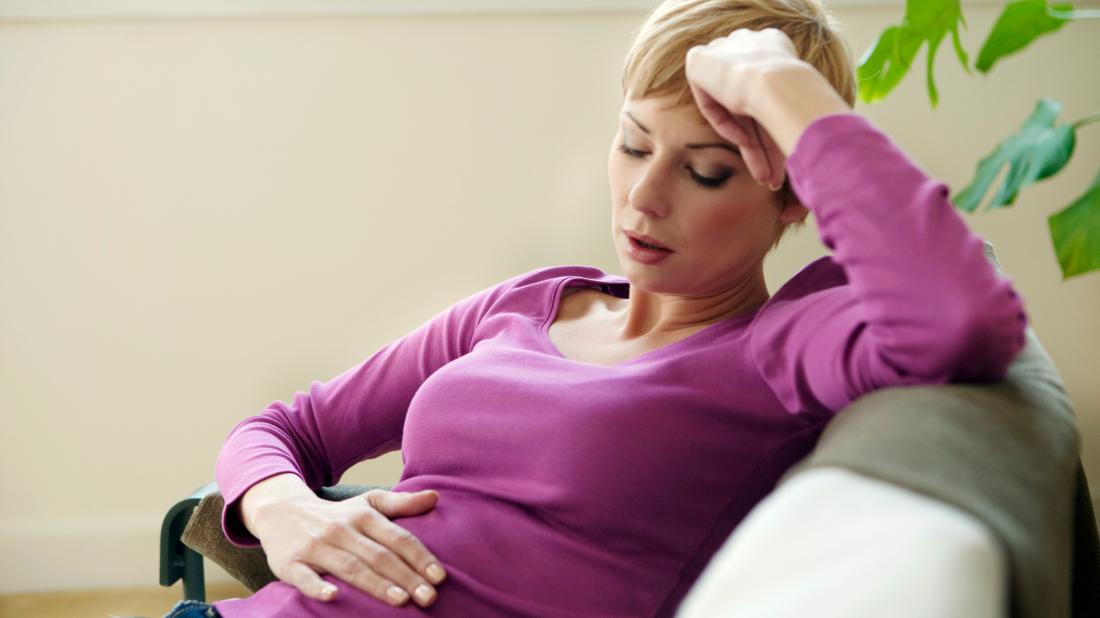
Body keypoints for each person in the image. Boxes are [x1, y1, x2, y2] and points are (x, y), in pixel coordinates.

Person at [164, 0, 1028, 616]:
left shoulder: (783, 346)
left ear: (794, 198)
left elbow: (960, 318)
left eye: (705, 171)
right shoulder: (529, 304)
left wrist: (784, 89)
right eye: (633, 144)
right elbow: (288, 425)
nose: (642, 200)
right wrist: (283, 509)